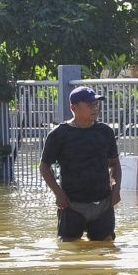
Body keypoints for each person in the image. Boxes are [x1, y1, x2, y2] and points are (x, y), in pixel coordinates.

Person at [39, 86, 122, 242]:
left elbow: (114, 164)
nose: (95, 108)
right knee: (68, 250)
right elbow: (44, 167)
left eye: (96, 104)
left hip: (103, 203)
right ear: (73, 108)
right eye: (89, 104)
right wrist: (59, 194)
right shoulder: (59, 134)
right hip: (71, 205)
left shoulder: (105, 132)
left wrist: (116, 190)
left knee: (106, 251)